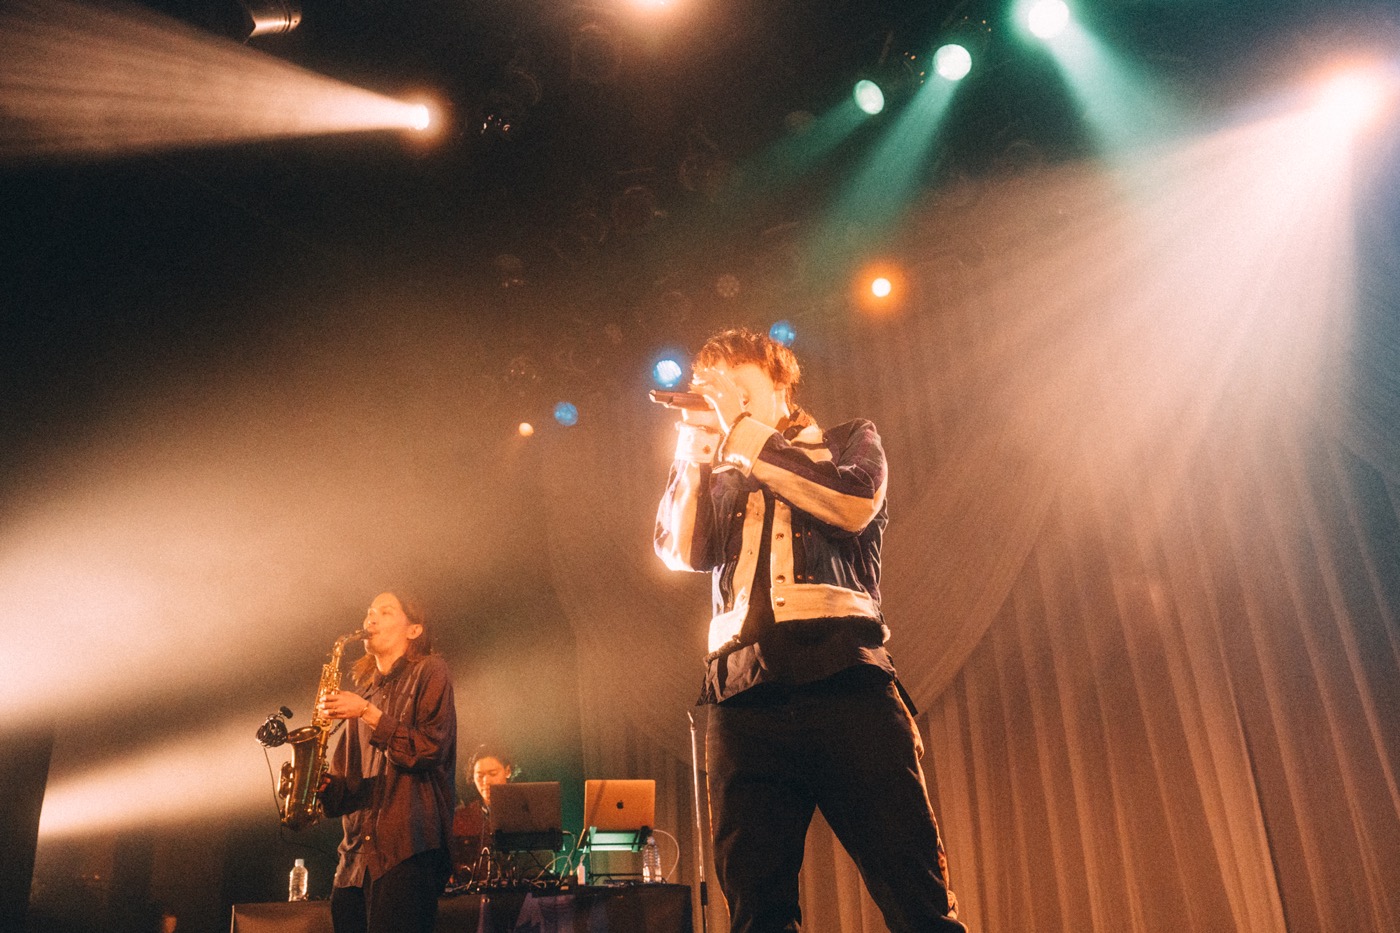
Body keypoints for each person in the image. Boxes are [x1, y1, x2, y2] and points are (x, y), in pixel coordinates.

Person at [654, 328, 967, 933]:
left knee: (915, 893)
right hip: (742, 697)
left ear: (780, 384)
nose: (722, 398)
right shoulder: (718, 473)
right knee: (757, 908)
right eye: (713, 388)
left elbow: (852, 504)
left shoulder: (848, 441)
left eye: (737, 383)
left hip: (846, 680)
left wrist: (742, 432)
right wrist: (693, 454)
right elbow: (681, 550)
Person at [318, 592, 457, 933]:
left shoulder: (431, 670)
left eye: (386, 611)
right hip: (354, 863)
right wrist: (319, 784)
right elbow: (349, 790)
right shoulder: (363, 694)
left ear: (414, 630)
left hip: (406, 850)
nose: (371, 619)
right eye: (369, 612)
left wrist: (367, 713)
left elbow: (428, 749)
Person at [449, 746, 516, 884]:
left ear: (508, 771)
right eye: (480, 776)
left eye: (493, 773)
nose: (486, 781)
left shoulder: (524, 812)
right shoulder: (461, 818)